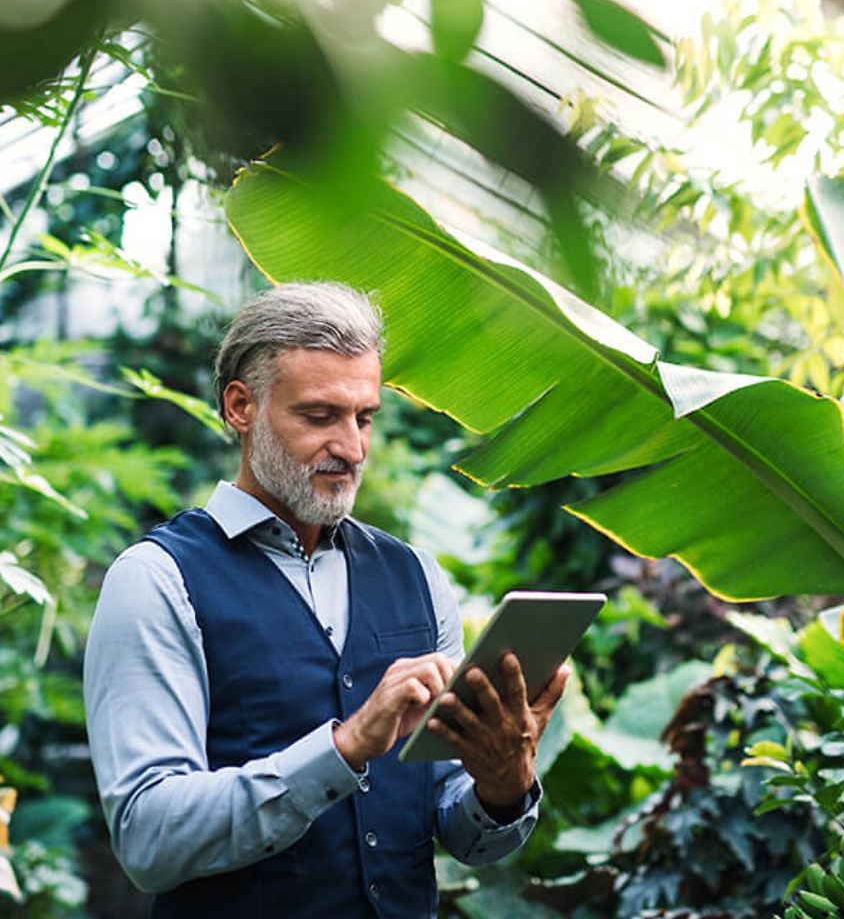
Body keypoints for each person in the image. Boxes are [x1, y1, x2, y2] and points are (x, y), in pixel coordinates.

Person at [83, 282, 570, 918]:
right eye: (320, 417)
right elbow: (149, 840)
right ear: (241, 407)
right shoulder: (156, 580)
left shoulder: (416, 576)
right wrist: (341, 750)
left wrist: (503, 786)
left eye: (363, 417)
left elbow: (458, 826)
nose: (352, 447)